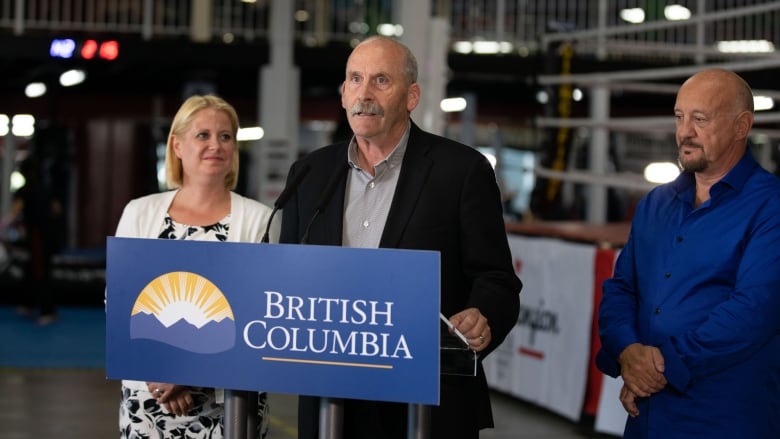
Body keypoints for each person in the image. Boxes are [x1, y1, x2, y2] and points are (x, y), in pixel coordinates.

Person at [279, 36, 522, 439]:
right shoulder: (309, 174)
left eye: (381, 81)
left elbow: (497, 281)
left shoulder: (461, 171)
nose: (364, 94)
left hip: (428, 402)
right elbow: (288, 277)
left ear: (411, 96)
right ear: (342, 94)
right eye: (355, 80)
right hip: (331, 403)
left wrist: (484, 315)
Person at [596, 68, 780, 438]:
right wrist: (628, 351)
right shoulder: (655, 204)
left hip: (725, 415)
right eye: (680, 117)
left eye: (701, 119)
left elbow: (752, 311)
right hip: (647, 414)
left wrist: (659, 368)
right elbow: (621, 288)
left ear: (742, 126)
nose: (685, 132)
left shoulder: (771, 206)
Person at [113, 94, 277, 438]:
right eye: (203, 135)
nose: (215, 145)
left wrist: (189, 372)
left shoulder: (260, 220)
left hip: (230, 403)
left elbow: (260, 315)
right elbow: (119, 302)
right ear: (177, 145)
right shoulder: (139, 212)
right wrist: (159, 374)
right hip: (150, 397)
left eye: (225, 136)